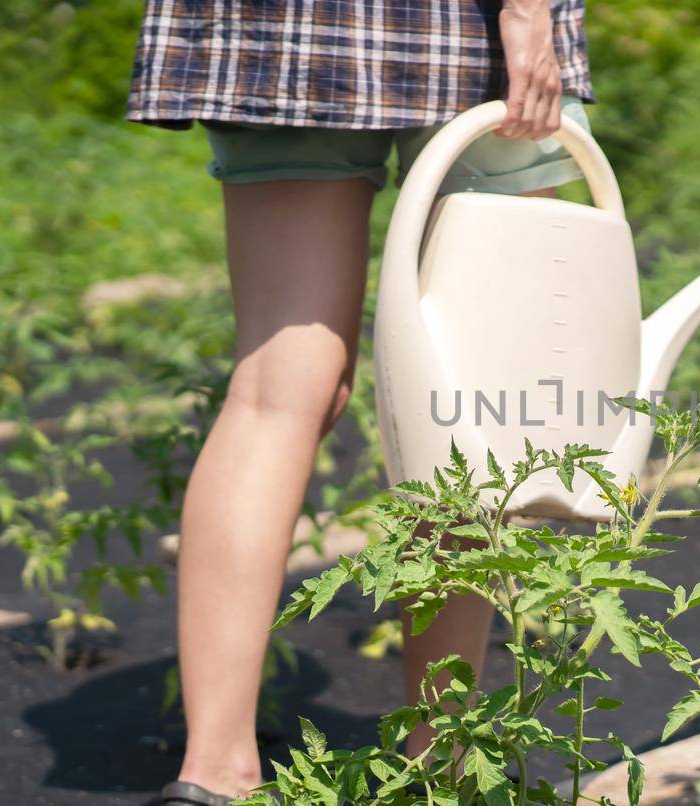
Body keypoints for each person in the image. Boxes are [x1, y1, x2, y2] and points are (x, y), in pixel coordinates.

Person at [125, 1, 594, 803]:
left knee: (277, 387)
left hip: (279, 24)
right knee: (472, 393)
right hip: (459, 25)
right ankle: (438, 760)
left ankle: (213, 776)